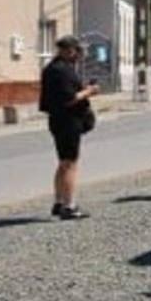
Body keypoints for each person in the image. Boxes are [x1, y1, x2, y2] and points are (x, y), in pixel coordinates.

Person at [39, 35, 99, 220]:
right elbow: (69, 98)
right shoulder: (61, 70)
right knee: (70, 164)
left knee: (63, 162)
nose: (80, 55)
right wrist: (89, 91)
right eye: (77, 51)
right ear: (69, 50)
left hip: (60, 120)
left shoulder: (54, 68)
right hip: (67, 121)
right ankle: (69, 206)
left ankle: (59, 202)